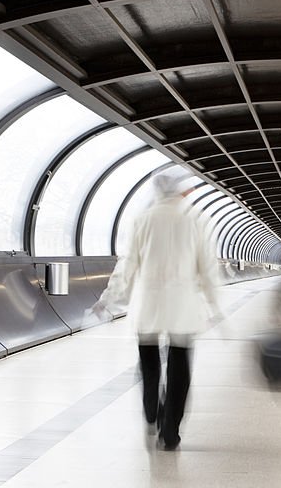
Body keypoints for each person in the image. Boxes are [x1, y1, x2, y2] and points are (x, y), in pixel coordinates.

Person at [92, 173, 221, 451]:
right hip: (183, 307)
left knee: (148, 362)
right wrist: (215, 305)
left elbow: (127, 265)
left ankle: (152, 410)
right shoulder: (196, 219)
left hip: (148, 306)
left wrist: (108, 298)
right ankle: (170, 431)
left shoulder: (142, 219)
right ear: (181, 192)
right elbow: (207, 268)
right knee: (180, 368)